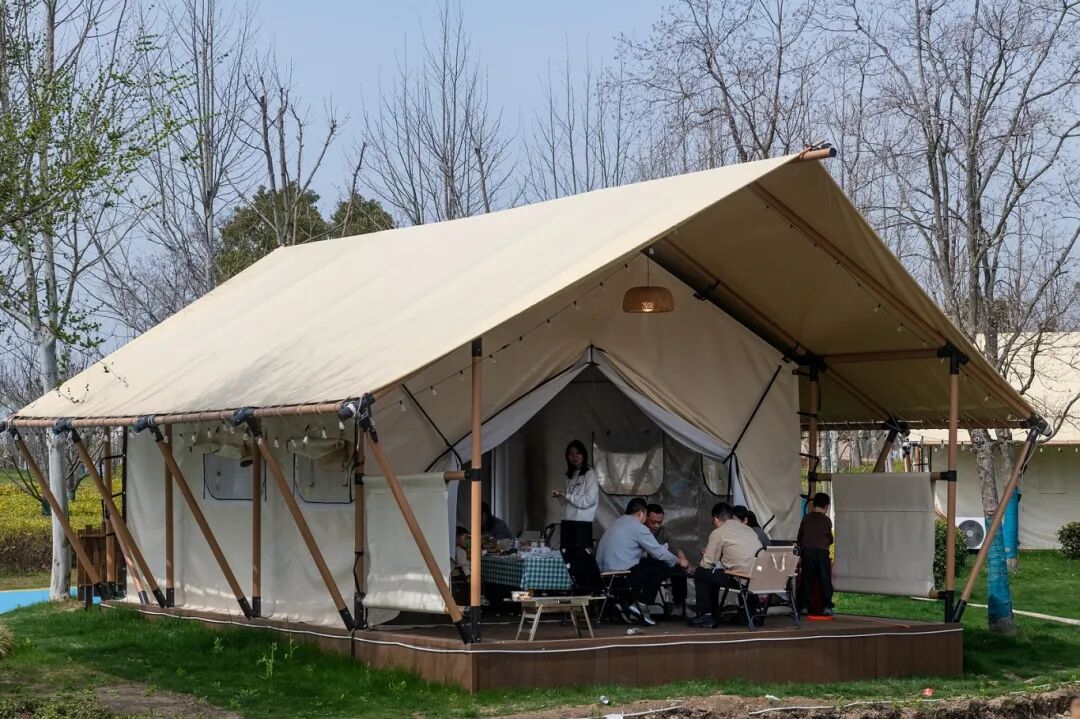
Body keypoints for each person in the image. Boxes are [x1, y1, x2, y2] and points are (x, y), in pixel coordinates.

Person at [597, 497, 690, 625]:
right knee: (659, 567)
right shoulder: (638, 527)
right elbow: (659, 553)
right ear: (641, 513)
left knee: (648, 565)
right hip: (620, 577)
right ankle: (641, 604)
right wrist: (679, 561)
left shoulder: (617, 523)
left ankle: (625, 602)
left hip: (603, 577)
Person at [689, 502, 763, 628]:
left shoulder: (718, 533)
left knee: (701, 573)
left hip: (741, 580)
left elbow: (707, 563)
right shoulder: (749, 529)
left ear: (715, 519)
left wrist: (706, 555)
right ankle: (748, 613)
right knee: (720, 573)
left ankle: (705, 615)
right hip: (760, 578)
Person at [552, 439, 599, 551]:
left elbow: (588, 501)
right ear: (567, 457)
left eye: (577, 453)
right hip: (567, 522)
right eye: (571, 454)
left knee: (579, 557)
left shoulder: (590, 473)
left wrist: (566, 495)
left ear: (583, 455)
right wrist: (560, 496)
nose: (574, 456)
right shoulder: (571, 474)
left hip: (581, 525)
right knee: (566, 555)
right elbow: (567, 503)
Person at [645, 503, 689, 616]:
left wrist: (683, 560)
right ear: (645, 518)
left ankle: (679, 605)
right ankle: (646, 604)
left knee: (679, 571)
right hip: (643, 564)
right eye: (653, 522)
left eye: (659, 522)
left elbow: (675, 548)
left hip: (661, 564)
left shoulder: (663, 532)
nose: (656, 526)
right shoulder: (640, 530)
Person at [797, 492, 834, 616]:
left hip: (807, 551)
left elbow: (800, 536)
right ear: (827, 506)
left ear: (813, 504)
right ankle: (826, 606)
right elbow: (829, 539)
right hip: (822, 552)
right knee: (824, 579)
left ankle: (804, 606)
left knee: (807, 578)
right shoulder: (826, 520)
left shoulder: (806, 518)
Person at [450, 526, 470, 605]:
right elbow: (463, 565)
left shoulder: (450, 548)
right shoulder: (460, 551)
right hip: (460, 576)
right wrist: (469, 575)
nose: (466, 540)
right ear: (457, 538)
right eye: (465, 538)